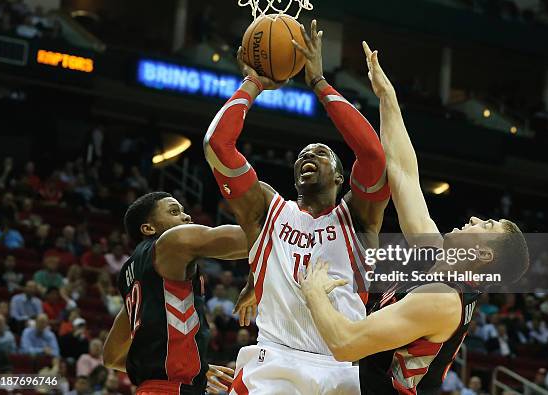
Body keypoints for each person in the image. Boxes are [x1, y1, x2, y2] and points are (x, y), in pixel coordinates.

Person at [299, 42, 529, 395]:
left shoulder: (440, 300)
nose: (473, 218)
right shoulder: (439, 257)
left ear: (484, 256)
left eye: (485, 226)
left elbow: (345, 344)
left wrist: (312, 292)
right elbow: (404, 173)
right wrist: (387, 97)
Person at [205, 20, 389, 394]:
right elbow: (217, 145)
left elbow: (372, 153)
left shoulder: (358, 218)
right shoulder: (267, 211)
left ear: (341, 178)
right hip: (273, 363)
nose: (310, 156)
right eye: (303, 155)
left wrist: (320, 84)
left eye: (321, 154)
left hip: (341, 368)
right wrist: (253, 84)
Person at [102, 192, 244, 394]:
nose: (186, 217)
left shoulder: (130, 273)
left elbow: (112, 356)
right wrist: (291, 223)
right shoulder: (172, 242)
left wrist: (190, 365)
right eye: (174, 211)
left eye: (184, 211)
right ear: (149, 228)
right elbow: (247, 241)